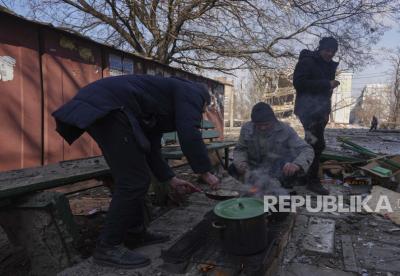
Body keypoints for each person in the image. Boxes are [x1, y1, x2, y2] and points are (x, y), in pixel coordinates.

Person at [52, 75, 220, 269]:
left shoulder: (161, 102)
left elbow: (152, 151)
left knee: (137, 177)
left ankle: (135, 234)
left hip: (110, 107)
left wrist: (171, 179)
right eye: (202, 109)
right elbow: (189, 131)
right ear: (203, 101)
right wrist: (205, 172)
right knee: (132, 180)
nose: (200, 112)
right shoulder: (194, 92)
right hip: (109, 107)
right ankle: (107, 247)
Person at [293, 37, 340, 195]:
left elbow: (326, 94)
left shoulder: (329, 66)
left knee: (309, 144)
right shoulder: (308, 62)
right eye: (327, 50)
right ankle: (312, 181)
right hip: (307, 110)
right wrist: (327, 84)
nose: (330, 53)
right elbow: (299, 83)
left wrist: (327, 113)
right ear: (320, 49)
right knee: (317, 145)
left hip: (320, 111)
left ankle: (302, 175)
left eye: (333, 51)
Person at [230, 102, 314, 188]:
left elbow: (307, 149)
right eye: (259, 125)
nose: (263, 128)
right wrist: (241, 162)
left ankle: (277, 188)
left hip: (276, 169)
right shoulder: (246, 128)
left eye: (266, 124)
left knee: (288, 175)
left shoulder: (286, 130)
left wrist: (297, 164)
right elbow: (240, 149)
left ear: (273, 120)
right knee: (233, 168)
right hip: (253, 168)